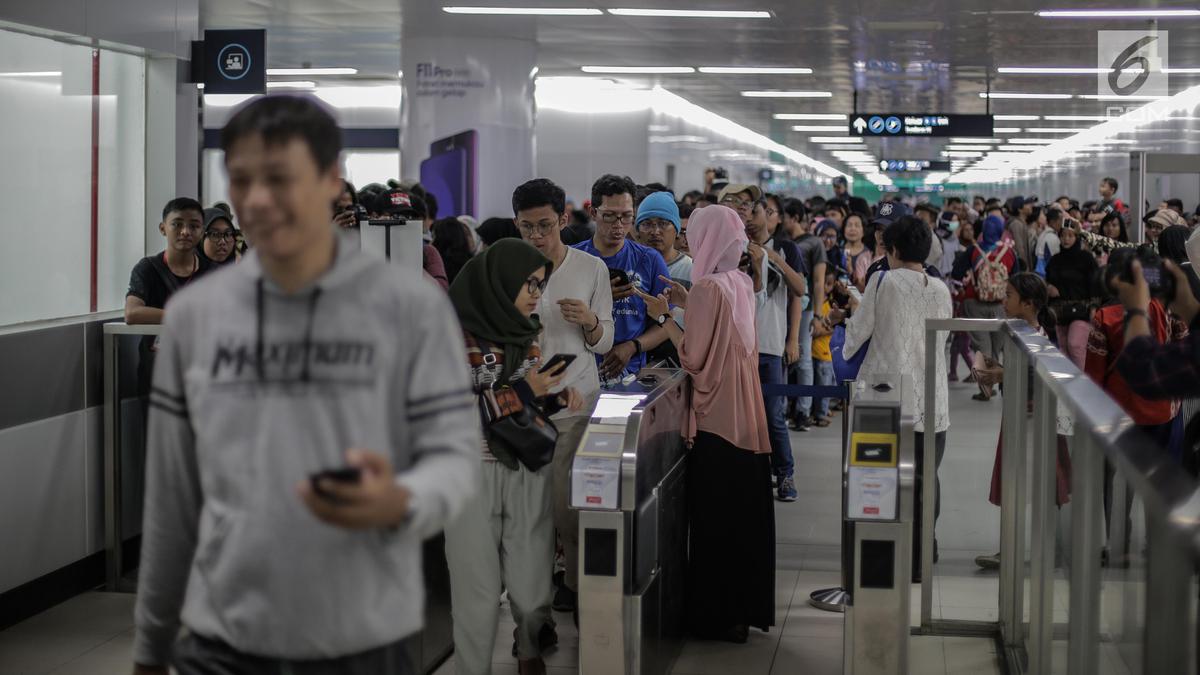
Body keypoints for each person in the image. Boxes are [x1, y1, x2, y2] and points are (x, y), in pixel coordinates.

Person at [132, 95, 478, 675]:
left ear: (329, 180)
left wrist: (402, 499)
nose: (259, 199)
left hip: (361, 635)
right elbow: (172, 499)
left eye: (281, 177)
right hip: (225, 635)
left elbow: (456, 454)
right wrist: (150, 645)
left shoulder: (408, 307)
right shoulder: (196, 318)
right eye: (242, 179)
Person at [633, 205, 774, 644]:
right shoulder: (740, 282)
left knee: (715, 522)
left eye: (696, 234)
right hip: (748, 419)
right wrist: (683, 300)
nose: (691, 242)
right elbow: (722, 333)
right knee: (742, 520)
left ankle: (715, 616)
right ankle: (741, 613)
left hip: (717, 422)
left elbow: (693, 356)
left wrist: (665, 314)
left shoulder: (709, 288)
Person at [445, 238, 585, 675]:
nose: (535, 294)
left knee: (531, 591)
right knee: (477, 594)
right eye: (527, 283)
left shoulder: (529, 335)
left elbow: (525, 408)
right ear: (498, 282)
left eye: (540, 285)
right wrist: (527, 391)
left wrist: (556, 398)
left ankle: (529, 645)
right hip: (470, 477)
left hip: (528, 470)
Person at [510, 178, 614, 617]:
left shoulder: (591, 269)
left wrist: (589, 320)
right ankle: (530, 600)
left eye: (545, 226)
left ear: (564, 219)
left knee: (567, 505)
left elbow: (604, 342)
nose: (536, 236)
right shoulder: (508, 268)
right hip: (523, 405)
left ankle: (571, 580)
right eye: (526, 227)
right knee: (526, 513)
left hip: (575, 403)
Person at [835, 215, 951, 580]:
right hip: (932, 398)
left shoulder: (883, 281)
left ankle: (885, 557)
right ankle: (921, 558)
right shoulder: (941, 288)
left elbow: (859, 333)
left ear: (894, 249)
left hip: (884, 400)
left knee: (880, 480)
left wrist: (843, 323)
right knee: (925, 479)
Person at [972, 273, 1073, 570]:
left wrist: (1001, 375)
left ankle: (1022, 551)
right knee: (1031, 482)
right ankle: (1035, 549)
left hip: (1030, 415)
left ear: (1028, 304)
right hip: (1025, 412)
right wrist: (1001, 371)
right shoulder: (1023, 330)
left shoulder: (1031, 335)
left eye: (1010, 295)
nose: (1004, 300)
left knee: (1021, 481)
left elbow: (1034, 373)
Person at [574, 174, 670, 385]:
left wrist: (633, 346)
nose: (619, 225)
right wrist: (601, 297)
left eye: (626, 216)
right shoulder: (573, 259)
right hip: (580, 373)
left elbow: (667, 322)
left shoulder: (649, 260)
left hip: (630, 375)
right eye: (609, 216)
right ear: (593, 213)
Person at [748, 198, 807, 500]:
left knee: (773, 416)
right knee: (744, 418)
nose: (753, 218)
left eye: (760, 212)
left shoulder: (787, 249)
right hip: (739, 347)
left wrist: (792, 339)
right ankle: (753, 476)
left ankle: (785, 474)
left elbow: (799, 291)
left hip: (770, 344)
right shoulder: (735, 248)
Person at [953, 214, 1016, 399]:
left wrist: (962, 291)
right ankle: (994, 381)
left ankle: (985, 389)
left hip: (974, 303)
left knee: (982, 347)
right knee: (996, 346)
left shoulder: (974, 250)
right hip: (1001, 305)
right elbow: (1016, 277)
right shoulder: (1009, 252)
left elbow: (956, 274)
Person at [125, 197, 213, 326]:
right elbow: (132, 313)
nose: (185, 232)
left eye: (194, 226)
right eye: (177, 224)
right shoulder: (148, 268)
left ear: (202, 232)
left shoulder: (212, 272)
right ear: (162, 228)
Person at [782, 197, 827, 432]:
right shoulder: (781, 241)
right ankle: (786, 407)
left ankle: (804, 410)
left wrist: (818, 315)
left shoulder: (814, 243)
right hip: (782, 307)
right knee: (786, 359)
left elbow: (818, 283)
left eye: (784, 216)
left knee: (804, 359)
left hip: (806, 309)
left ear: (795, 218)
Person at [1045, 225, 1099, 369]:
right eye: (1063, 235)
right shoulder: (1055, 260)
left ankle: (1084, 383)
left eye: (1070, 235)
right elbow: (1049, 280)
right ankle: (1068, 386)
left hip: (1081, 310)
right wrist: (1049, 287)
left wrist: (1094, 306)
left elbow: (1094, 283)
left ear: (1077, 238)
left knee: (1075, 345)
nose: (1066, 239)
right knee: (1063, 349)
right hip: (1060, 310)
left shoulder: (1086, 258)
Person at [430, 216, 475, 285]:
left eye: (433, 237)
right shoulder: (472, 263)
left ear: (442, 240)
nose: (431, 242)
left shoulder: (437, 267)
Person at [841, 212, 872, 291]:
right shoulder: (836, 251)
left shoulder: (869, 255)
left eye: (857, 225)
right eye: (849, 225)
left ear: (863, 230)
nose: (852, 229)